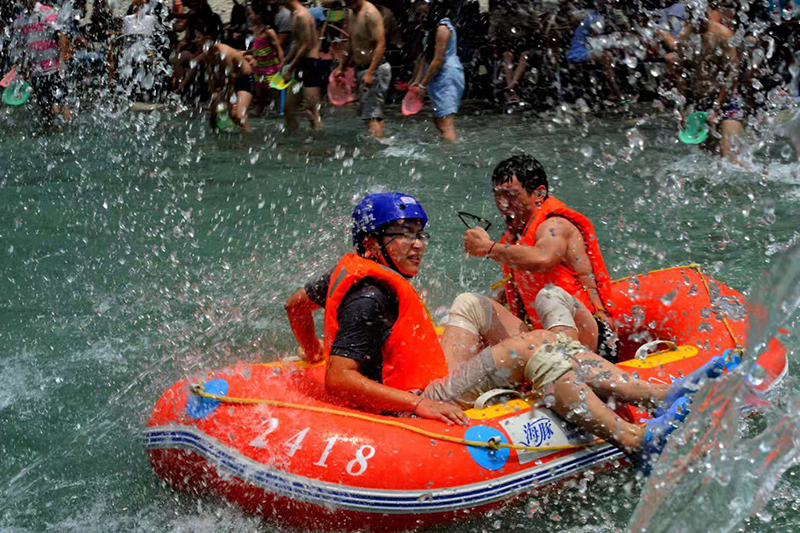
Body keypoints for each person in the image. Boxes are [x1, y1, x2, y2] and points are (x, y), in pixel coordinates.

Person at [285, 192, 723, 468]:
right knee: (536, 347)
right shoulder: (370, 298)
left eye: (421, 233)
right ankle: (638, 432)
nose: (418, 244)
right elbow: (339, 379)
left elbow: (295, 306)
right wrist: (418, 406)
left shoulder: (347, 273)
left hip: (422, 376)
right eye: (403, 234)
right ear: (371, 244)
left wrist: (311, 351)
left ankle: (659, 395)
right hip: (412, 400)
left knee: (470, 305)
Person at [462, 154, 617, 362]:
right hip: (545, 336)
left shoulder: (555, 225)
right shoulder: (515, 236)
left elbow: (543, 260)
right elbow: (522, 285)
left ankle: (564, 368)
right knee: (472, 304)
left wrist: (488, 248)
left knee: (550, 295)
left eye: (510, 194)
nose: (502, 204)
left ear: (539, 194)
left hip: (590, 335)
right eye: (497, 195)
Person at [673, 4, 743, 163]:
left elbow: (732, 74)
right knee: (709, 159)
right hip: (701, 101)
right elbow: (682, 76)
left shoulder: (723, 34)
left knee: (730, 157)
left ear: (706, 12)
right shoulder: (685, 37)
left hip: (727, 101)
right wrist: (682, 108)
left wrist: (718, 105)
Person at [333, 0, 390, 139]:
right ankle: (383, 144)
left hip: (375, 69)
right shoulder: (351, 13)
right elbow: (351, 42)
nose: (348, 2)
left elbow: (381, 44)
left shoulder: (370, 13)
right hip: (363, 70)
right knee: (372, 115)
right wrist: (342, 67)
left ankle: (377, 151)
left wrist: (370, 72)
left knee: (370, 116)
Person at [409, 0, 464, 142]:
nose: (423, 17)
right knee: (438, 118)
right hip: (436, 75)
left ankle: (450, 153)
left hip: (447, 76)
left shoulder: (443, 29)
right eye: (420, 14)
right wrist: (416, 81)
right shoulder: (431, 30)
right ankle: (446, 145)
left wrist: (422, 85)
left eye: (426, 13)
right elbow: (424, 58)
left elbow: (438, 60)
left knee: (446, 122)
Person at [11, 0, 71, 122]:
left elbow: (62, 35)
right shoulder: (21, 18)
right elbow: (23, 45)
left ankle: (66, 132)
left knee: (59, 104)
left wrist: (61, 60)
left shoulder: (46, 12)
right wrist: (22, 67)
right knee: (44, 107)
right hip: (36, 71)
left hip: (52, 68)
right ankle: (50, 131)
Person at [195, 22, 254, 131]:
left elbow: (231, 77)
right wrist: (213, 95)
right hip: (229, 81)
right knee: (213, 115)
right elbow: (210, 74)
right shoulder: (207, 53)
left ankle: (248, 139)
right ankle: (216, 142)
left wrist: (227, 98)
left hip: (244, 80)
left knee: (238, 116)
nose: (195, 40)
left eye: (198, 37)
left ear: (207, 38)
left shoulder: (223, 53)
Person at [279, 0, 323, 133]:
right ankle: (291, 139)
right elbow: (298, 44)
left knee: (312, 111)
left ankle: (318, 145)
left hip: (311, 63)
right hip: (300, 64)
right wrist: (285, 61)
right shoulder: (294, 14)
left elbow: (306, 45)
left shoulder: (302, 15)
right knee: (288, 109)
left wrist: (290, 68)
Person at [245, 4, 283, 115]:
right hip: (259, 68)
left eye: (251, 13)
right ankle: (259, 108)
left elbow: (279, 49)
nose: (249, 16)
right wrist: (245, 52)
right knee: (259, 92)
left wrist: (282, 65)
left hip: (270, 68)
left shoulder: (268, 32)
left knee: (274, 92)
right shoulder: (255, 30)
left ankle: (279, 110)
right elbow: (256, 48)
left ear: (259, 15)